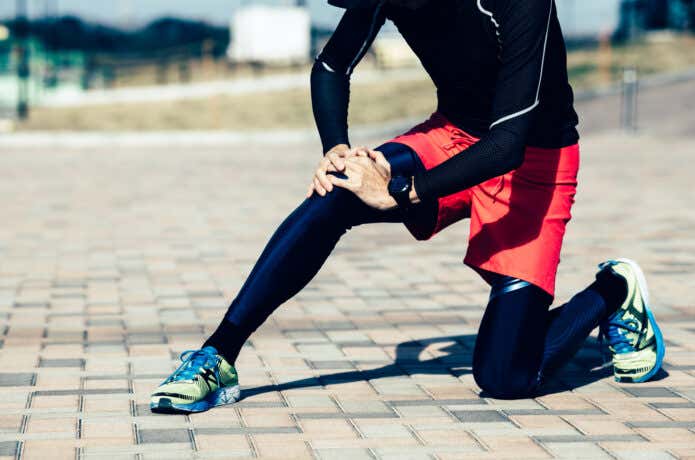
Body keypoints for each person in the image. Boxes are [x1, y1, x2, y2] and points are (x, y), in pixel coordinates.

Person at [150, 0, 665, 414]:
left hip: (533, 162)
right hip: (452, 136)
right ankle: (217, 355)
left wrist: (400, 191)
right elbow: (331, 66)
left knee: (506, 378)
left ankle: (614, 291)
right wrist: (338, 150)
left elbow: (507, 142)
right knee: (337, 190)